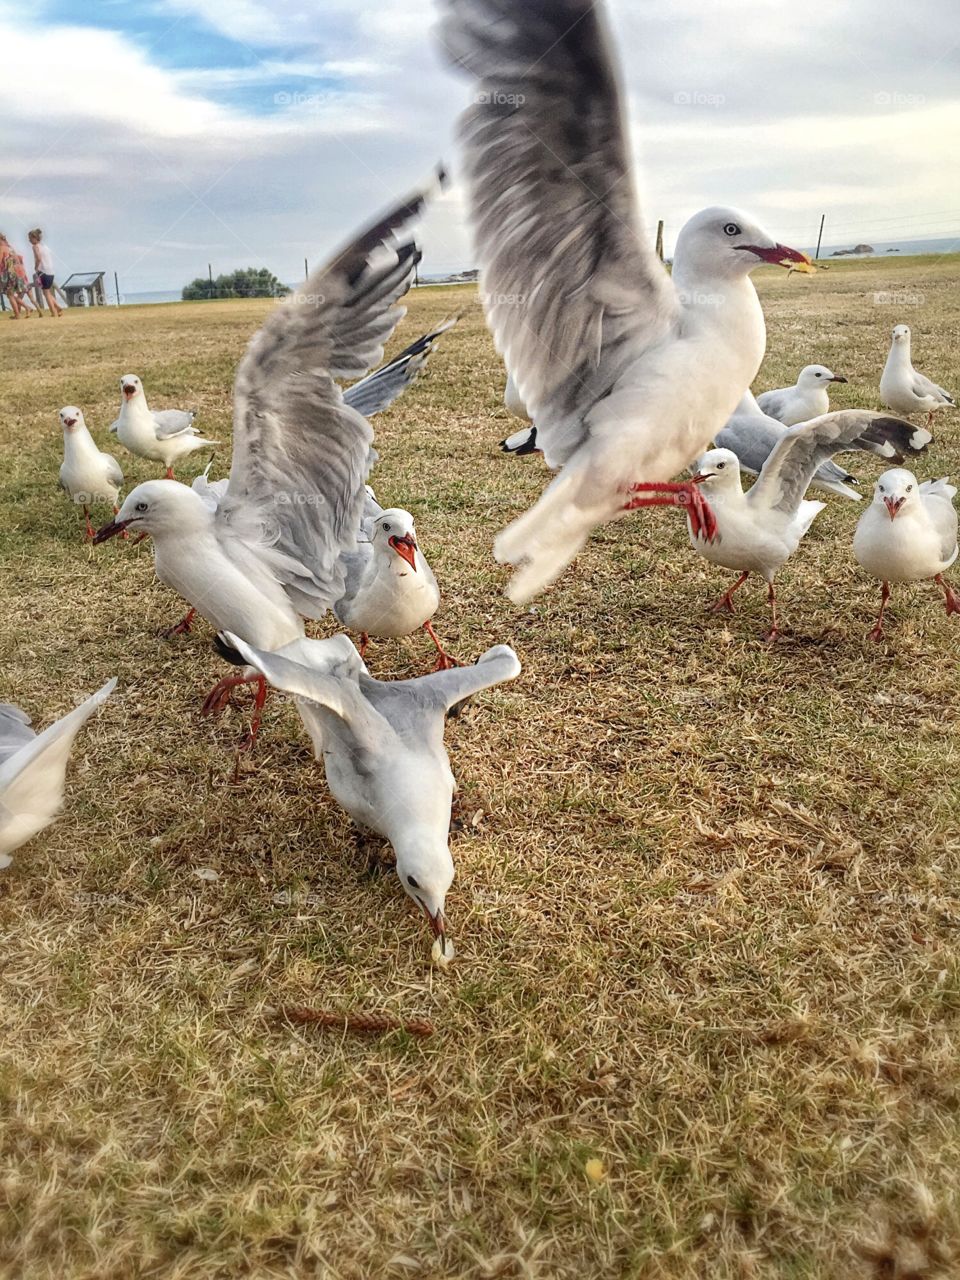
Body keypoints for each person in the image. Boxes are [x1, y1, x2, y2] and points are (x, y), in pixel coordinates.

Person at [0, 233, 38, 318]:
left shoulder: (2, 248)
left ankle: (19, 313)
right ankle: (25, 308)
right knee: (11, 294)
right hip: (16, 274)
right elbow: (17, 261)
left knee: (10, 295)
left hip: (8, 274)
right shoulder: (10, 248)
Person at [28, 228, 62, 317]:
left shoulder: (35, 247)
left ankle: (53, 312)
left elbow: (38, 258)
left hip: (43, 272)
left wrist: (36, 267)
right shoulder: (45, 247)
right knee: (47, 292)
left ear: (35, 238)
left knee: (46, 293)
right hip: (51, 272)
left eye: (30, 238)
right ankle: (58, 307)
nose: (29, 240)